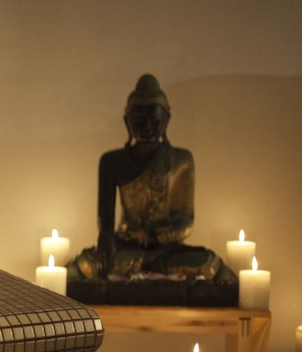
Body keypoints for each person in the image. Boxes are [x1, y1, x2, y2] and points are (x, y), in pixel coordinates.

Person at [68, 75, 233, 282]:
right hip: (126, 248)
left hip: (167, 249)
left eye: (154, 120)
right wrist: (106, 240)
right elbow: (106, 227)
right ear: (127, 122)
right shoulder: (112, 161)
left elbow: (185, 220)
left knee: (208, 262)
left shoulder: (181, 160)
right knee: (84, 263)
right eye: (138, 120)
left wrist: (152, 235)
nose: (146, 127)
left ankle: (148, 264)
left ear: (167, 120)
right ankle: (151, 265)